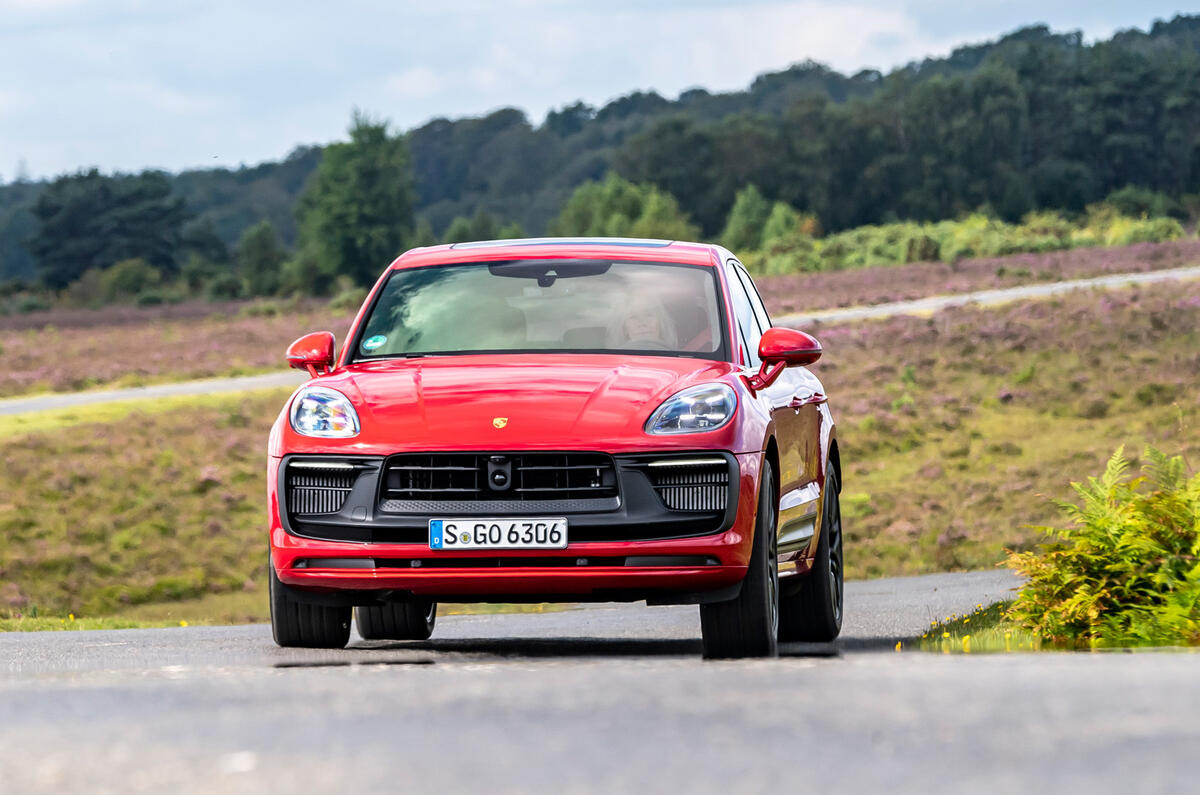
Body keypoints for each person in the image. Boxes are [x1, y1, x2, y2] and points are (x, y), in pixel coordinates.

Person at [607, 294, 679, 349]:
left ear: (661, 323)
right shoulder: (611, 361)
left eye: (649, 315)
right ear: (624, 328)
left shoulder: (680, 359)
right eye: (633, 317)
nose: (642, 323)